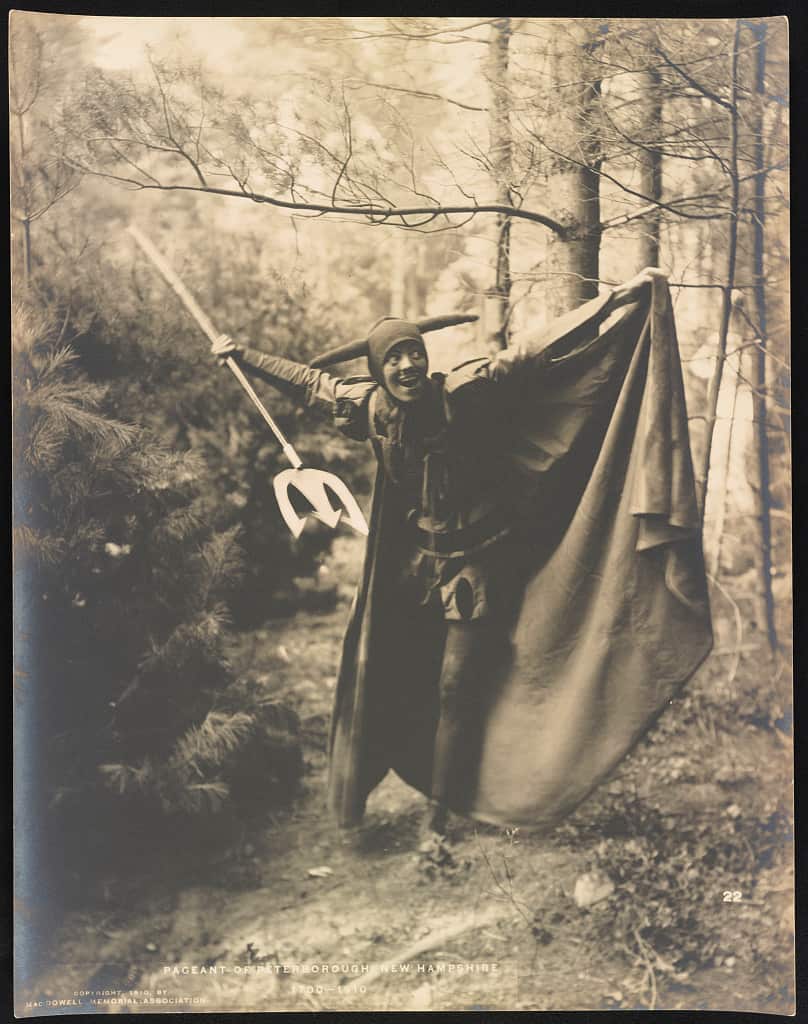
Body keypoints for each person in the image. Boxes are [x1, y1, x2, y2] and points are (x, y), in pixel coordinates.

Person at [210, 267, 712, 850]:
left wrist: (612, 302)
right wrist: (242, 355)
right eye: (393, 359)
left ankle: (438, 823)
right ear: (377, 371)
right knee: (398, 674)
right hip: (415, 571)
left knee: (456, 689)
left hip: (477, 568)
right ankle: (394, 786)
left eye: (412, 354)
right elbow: (308, 382)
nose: (406, 366)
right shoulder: (370, 409)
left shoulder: (462, 393)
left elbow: (529, 352)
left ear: (425, 359)